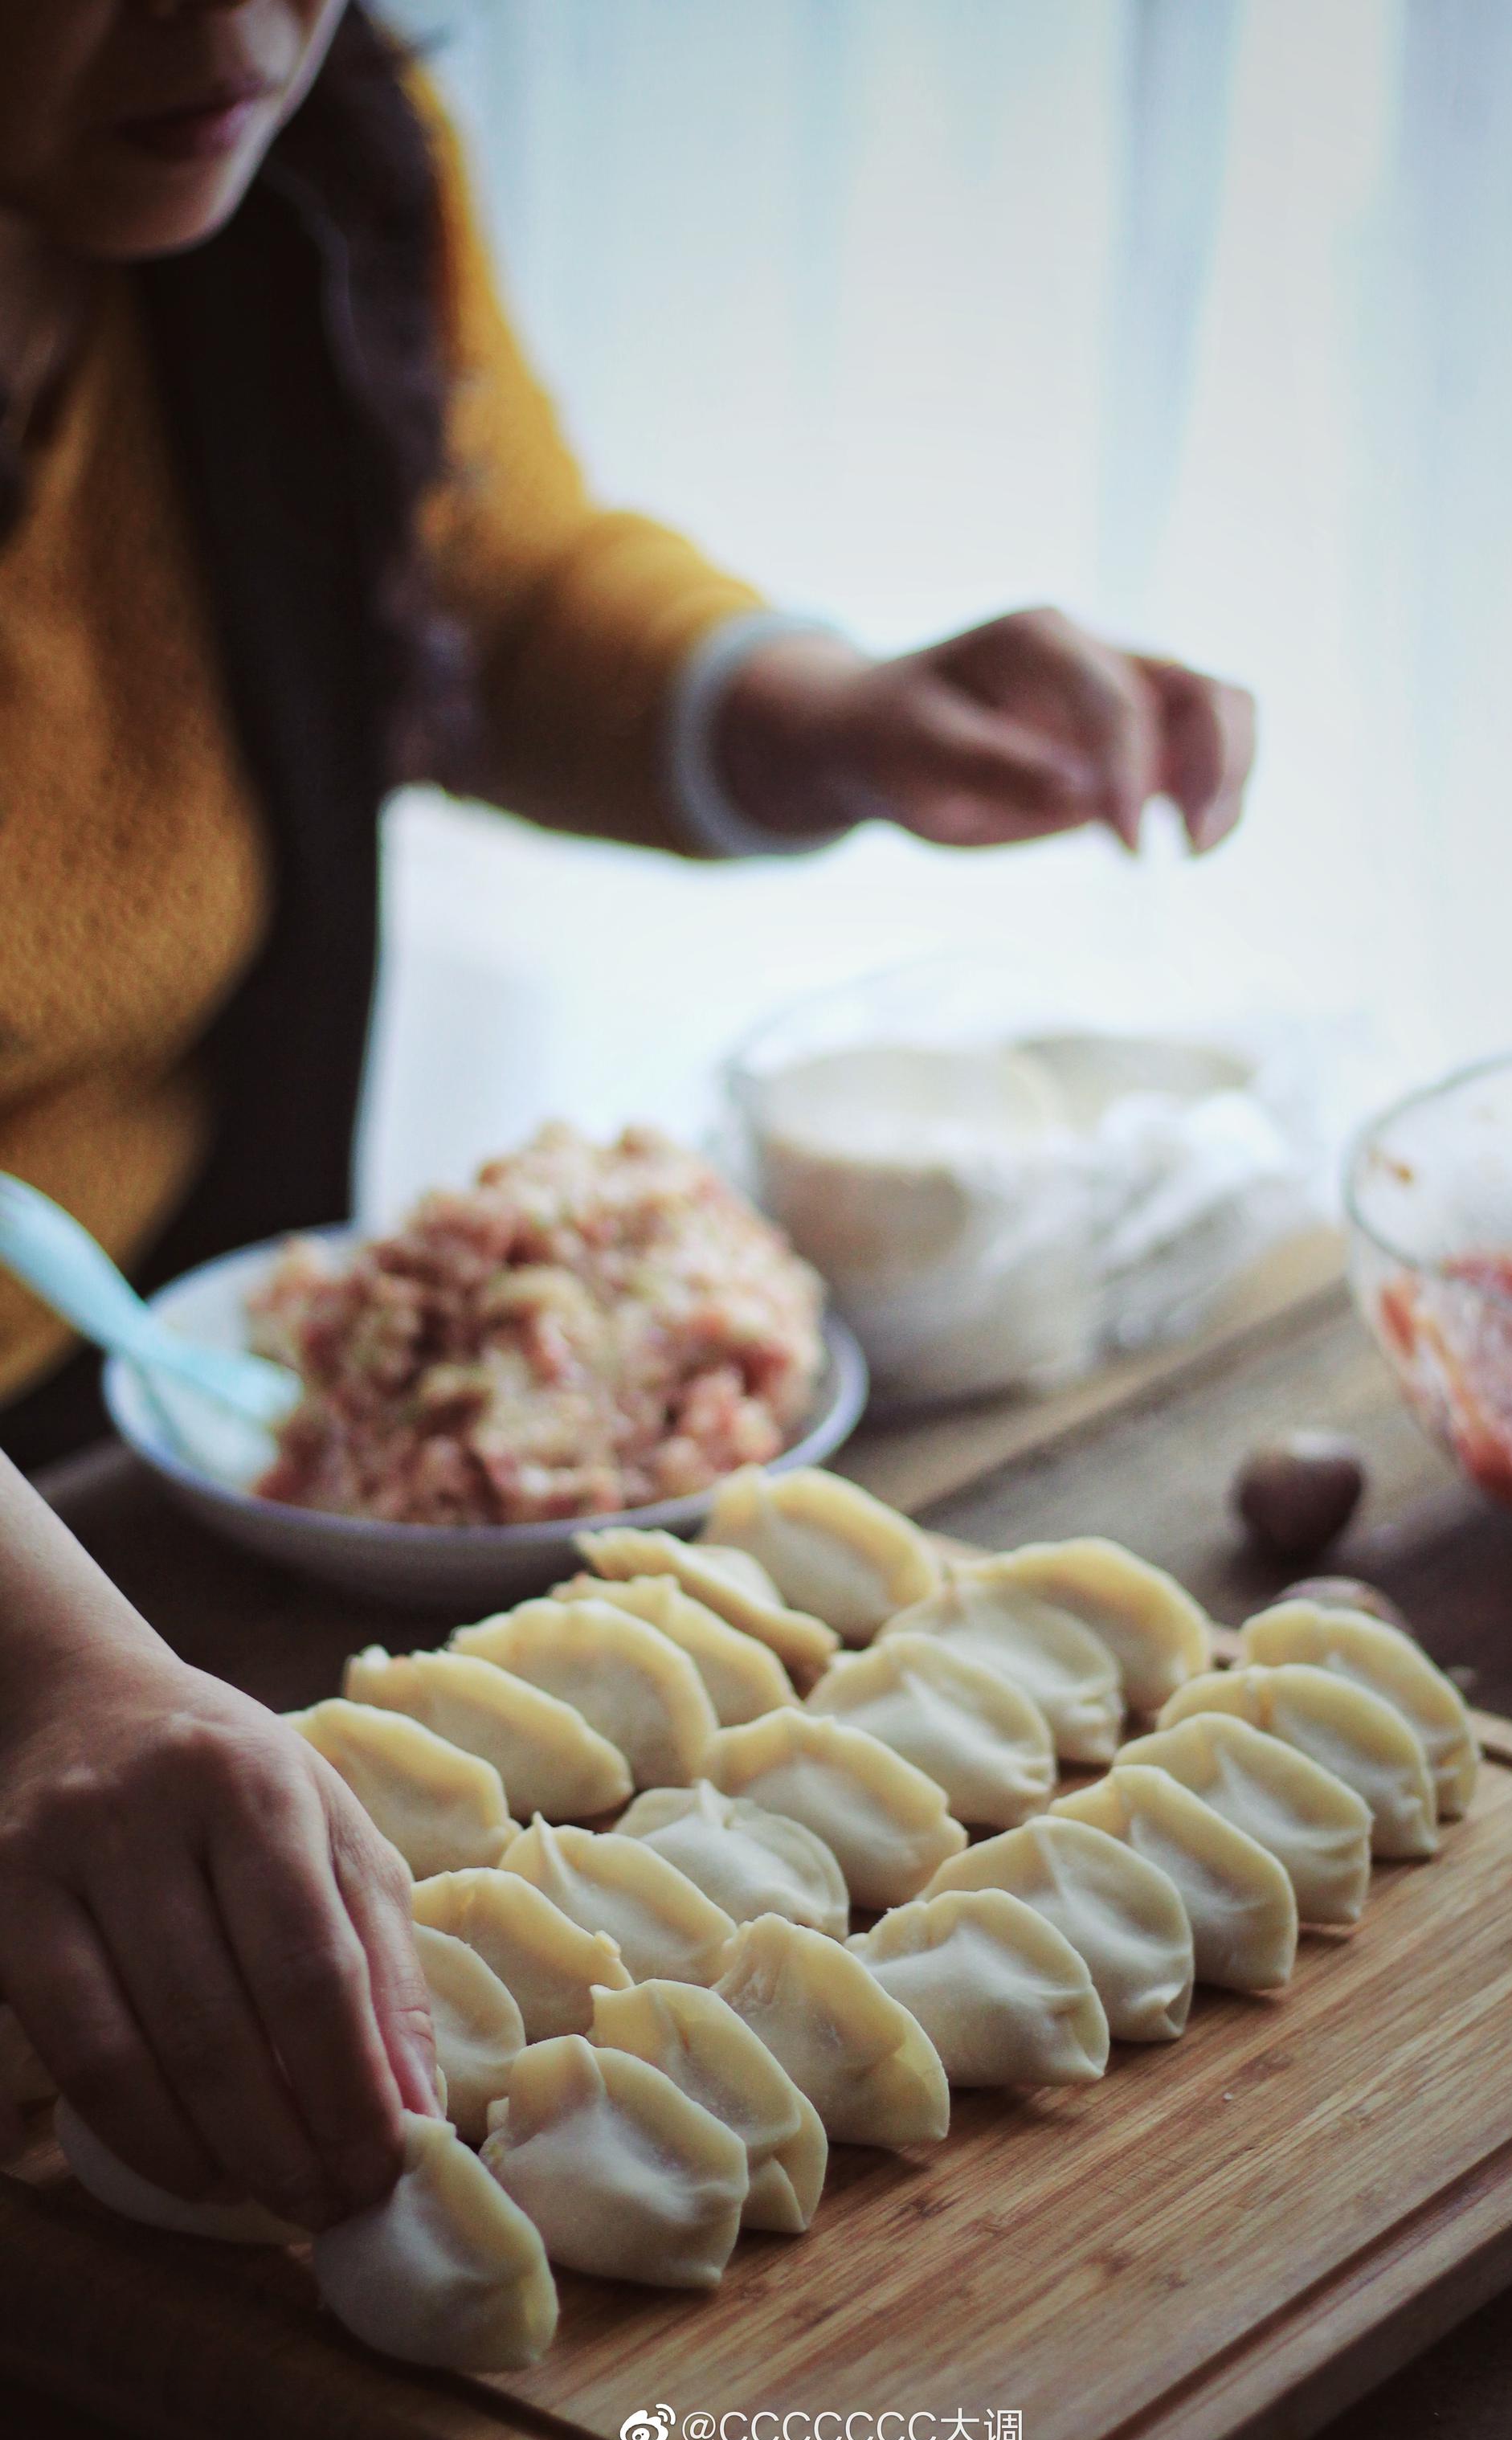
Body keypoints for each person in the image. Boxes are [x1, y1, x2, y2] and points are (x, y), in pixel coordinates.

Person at [0, 0, 1256, 2232]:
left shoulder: (297, 156)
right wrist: (49, 1669)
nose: (241, 27)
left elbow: (474, 563)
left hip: (152, 1457)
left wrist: (834, 718)